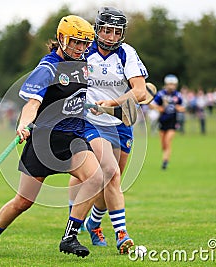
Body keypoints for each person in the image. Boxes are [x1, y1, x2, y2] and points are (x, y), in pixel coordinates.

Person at [0, 15, 104, 259]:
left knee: (96, 179)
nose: (81, 48)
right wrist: (24, 124)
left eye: (85, 43)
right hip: (44, 141)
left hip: (74, 137)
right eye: (76, 42)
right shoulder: (48, 67)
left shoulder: (84, 62)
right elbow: (32, 104)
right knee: (23, 202)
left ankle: (70, 236)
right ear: (62, 39)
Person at [68, 6, 148, 254]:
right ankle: (121, 234)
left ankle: (93, 222)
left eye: (116, 31)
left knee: (112, 179)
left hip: (119, 121)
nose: (111, 36)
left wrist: (112, 103)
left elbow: (140, 91)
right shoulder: (85, 49)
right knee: (109, 173)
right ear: (97, 29)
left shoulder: (127, 53)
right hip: (90, 121)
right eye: (107, 30)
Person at [150, 74, 185, 170]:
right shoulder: (161, 94)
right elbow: (152, 105)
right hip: (162, 121)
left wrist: (179, 108)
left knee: (167, 141)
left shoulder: (178, 95)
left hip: (172, 121)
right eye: (170, 84)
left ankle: (165, 162)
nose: (171, 86)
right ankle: (165, 156)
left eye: (173, 84)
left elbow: (183, 107)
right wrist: (159, 108)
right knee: (163, 144)